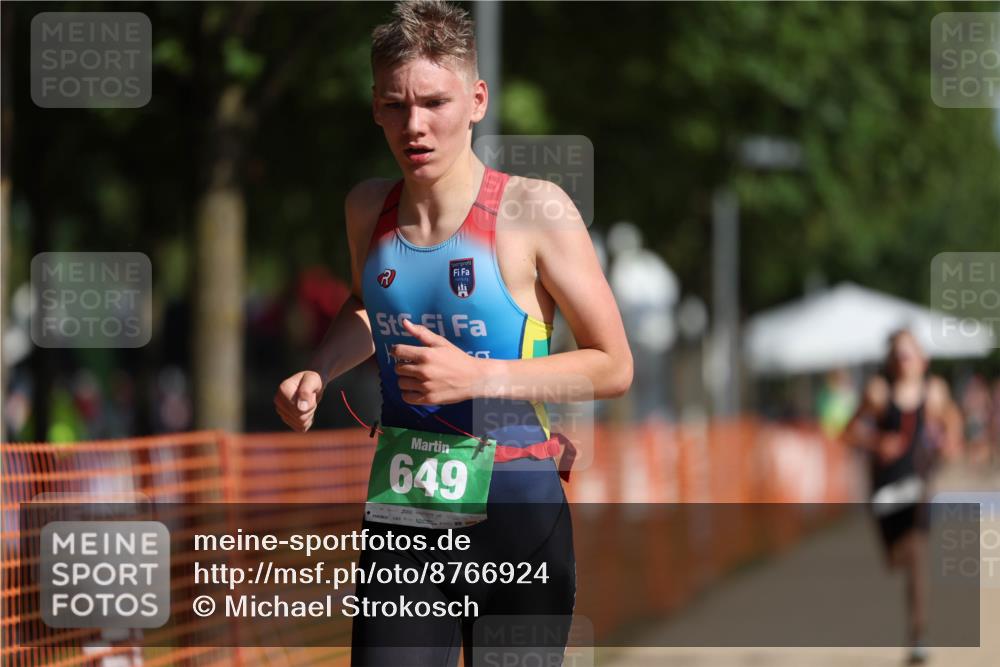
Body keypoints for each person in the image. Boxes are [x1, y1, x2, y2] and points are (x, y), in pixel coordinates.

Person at [274, 2, 632, 665]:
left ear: (476, 100)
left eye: (434, 102)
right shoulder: (366, 209)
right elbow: (368, 299)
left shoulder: (533, 209)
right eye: (394, 105)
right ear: (376, 108)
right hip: (406, 508)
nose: (415, 125)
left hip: (518, 509)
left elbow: (613, 364)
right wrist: (320, 370)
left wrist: (481, 377)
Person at [842, 328, 962, 665]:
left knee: (917, 555)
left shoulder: (934, 392)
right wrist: (876, 443)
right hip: (885, 490)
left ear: (924, 360)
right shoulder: (878, 394)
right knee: (896, 559)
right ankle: (915, 622)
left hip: (919, 488)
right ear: (891, 361)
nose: (905, 358)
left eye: (911, 351)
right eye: (899, 352)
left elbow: (952, 419)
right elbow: (848, 431)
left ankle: (918, 635)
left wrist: (952, 441)